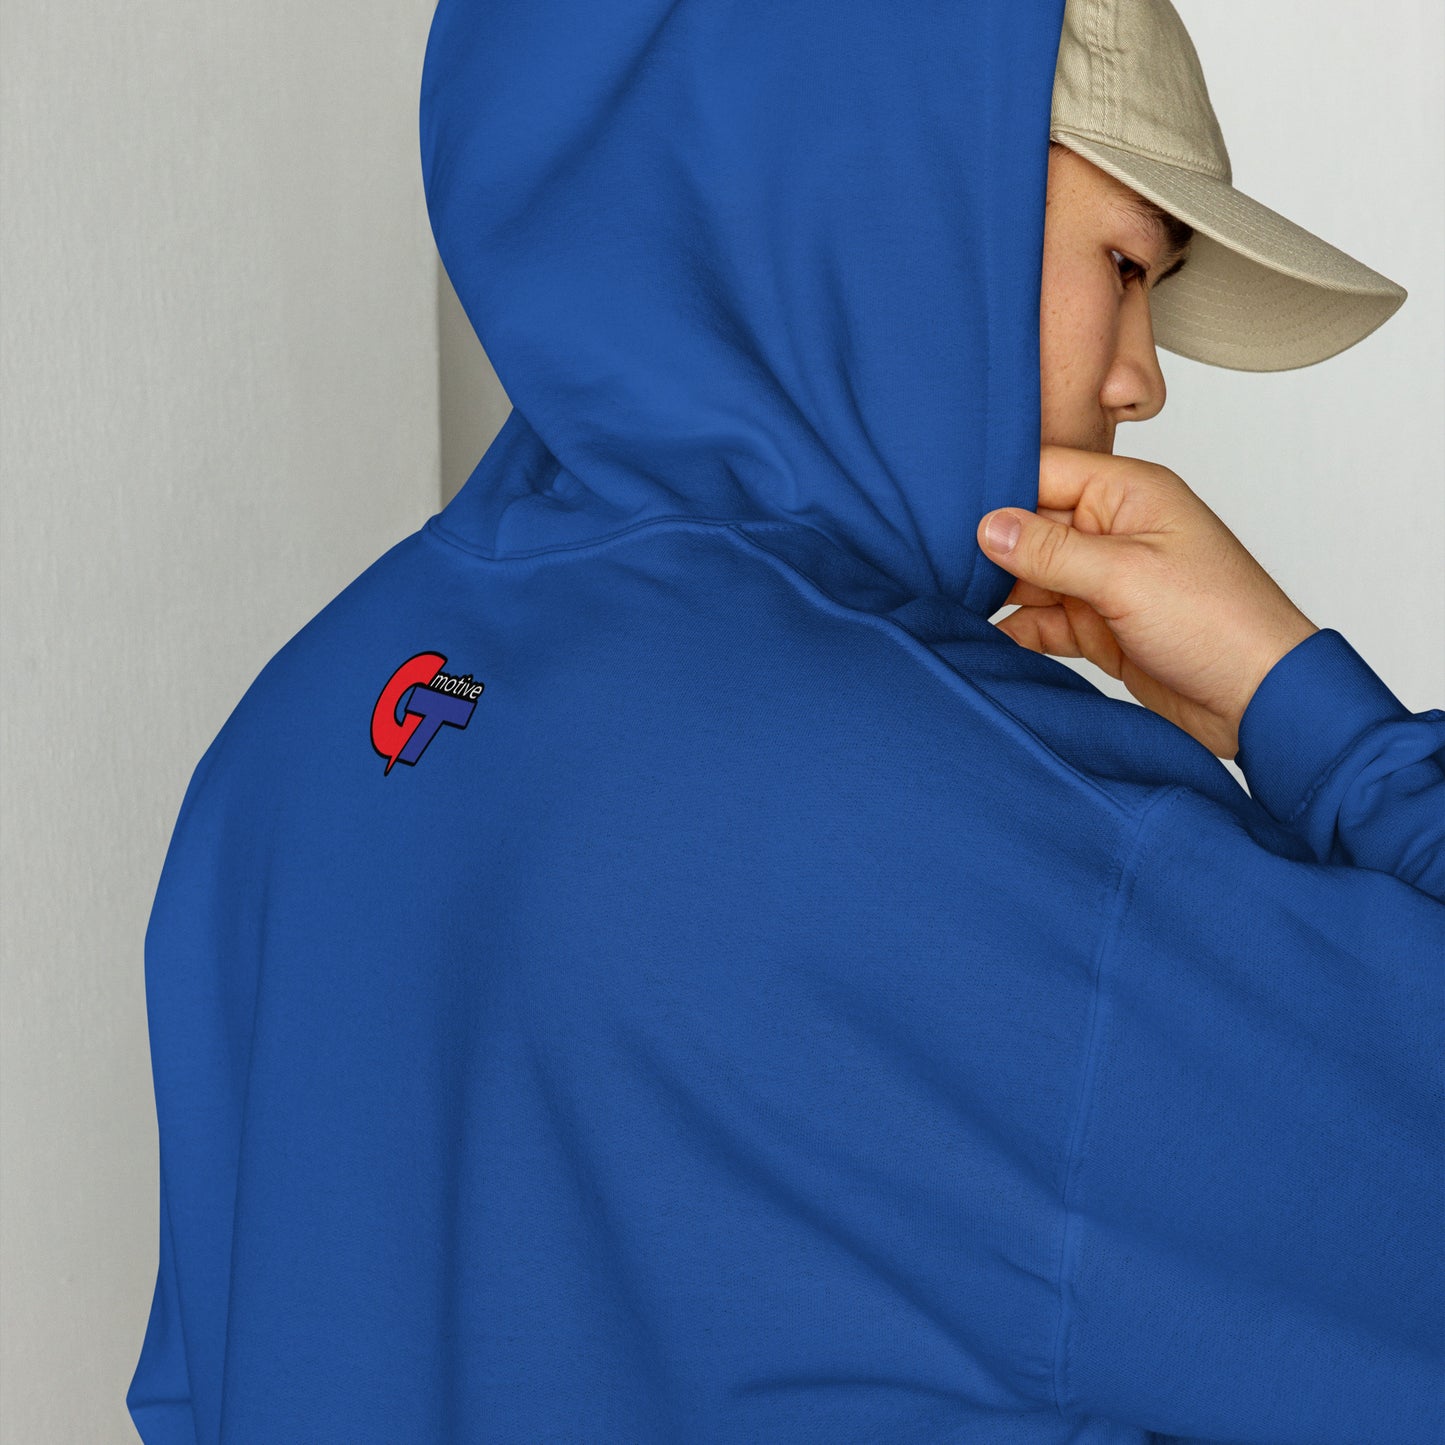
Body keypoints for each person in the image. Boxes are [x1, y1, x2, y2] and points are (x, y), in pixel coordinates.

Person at [127, 0, 1443, 1441]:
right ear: (889, 192)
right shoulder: (995, 831)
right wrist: (1307, 709)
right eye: (1125, 266)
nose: (1144, 377)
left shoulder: (289, 743)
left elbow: (204, 1388)